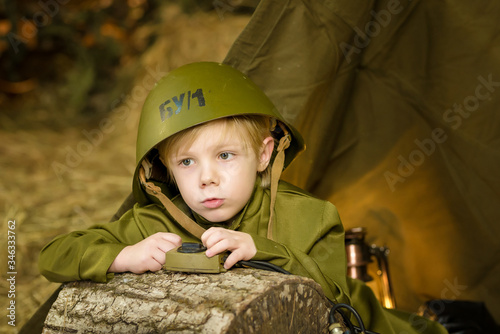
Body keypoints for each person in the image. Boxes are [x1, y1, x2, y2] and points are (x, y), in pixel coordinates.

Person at [39, 62, 446, 334]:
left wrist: (262, 250)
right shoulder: (152, 224)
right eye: (186, 162)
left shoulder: (312, 216)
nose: (206, 179)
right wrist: (121, 256)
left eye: (225, 156)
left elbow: (336, 300)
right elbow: (53, 255)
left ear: (264, 154)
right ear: (164, 169)